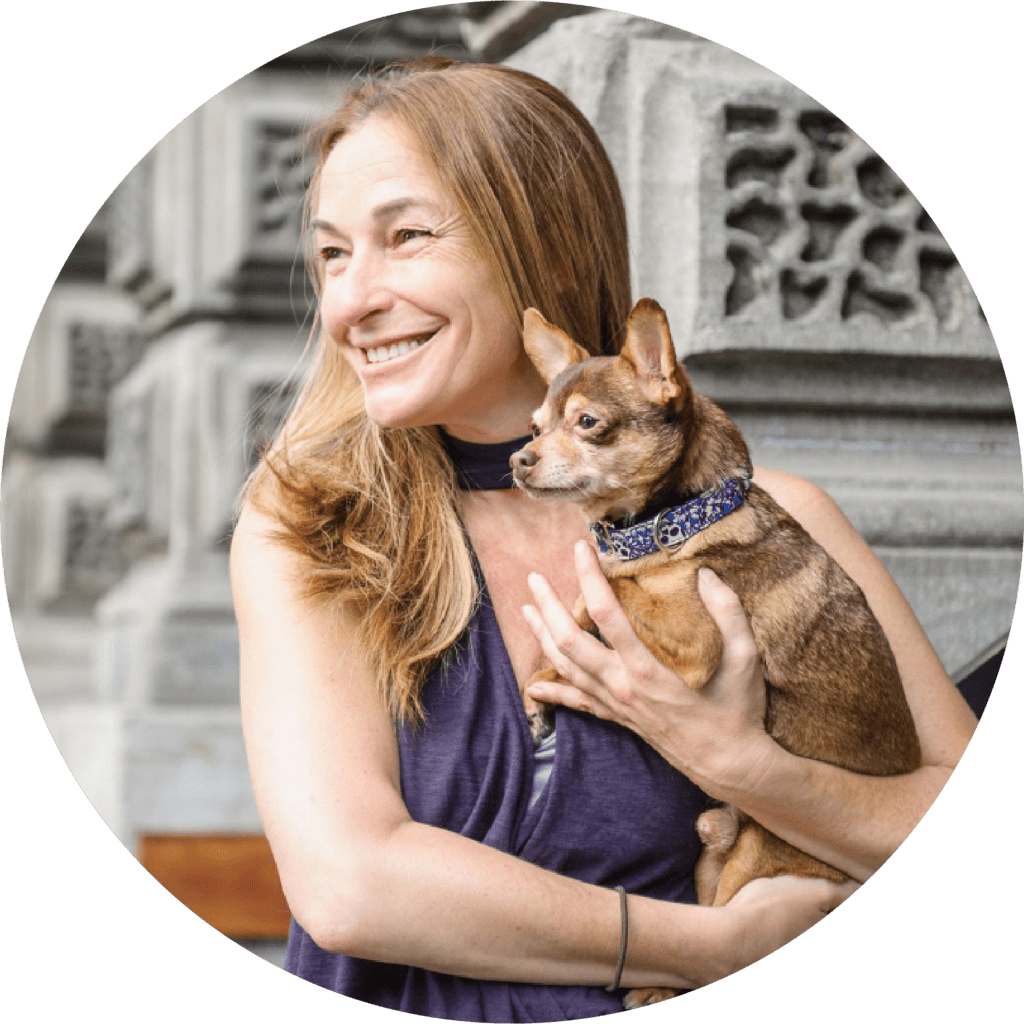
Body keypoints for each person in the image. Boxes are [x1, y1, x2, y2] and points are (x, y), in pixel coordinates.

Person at [231, 57, 976, 1022]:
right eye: (333, 254)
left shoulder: (777, 524)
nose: (349, 304)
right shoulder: (316, 534)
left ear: (537, 244)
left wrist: (744, 766)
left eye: (405, 237)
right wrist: (709, 948)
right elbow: (351, 887)